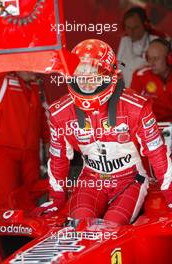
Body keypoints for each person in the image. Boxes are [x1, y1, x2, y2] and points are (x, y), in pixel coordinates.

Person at [47, 39, 172, 226]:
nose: (86, 82)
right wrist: (55, 202)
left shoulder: (136, 107)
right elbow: (58, 158)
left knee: (113, 224)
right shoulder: (60, 112)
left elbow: (158, 153)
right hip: (91, 179)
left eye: (94, 74)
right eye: (81, 74)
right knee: (79, 222)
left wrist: (170, 196)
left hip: (130, 180)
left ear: (108, 75)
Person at [0, 71, 50, 212]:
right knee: (7, 200)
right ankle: (6, 233)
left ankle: (28, 232)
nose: (37, 71)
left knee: (31, 198)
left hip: (31, 152)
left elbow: (43, 117)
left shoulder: (37, 84)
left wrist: (49, 141)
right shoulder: (3, 78)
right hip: (3, 149)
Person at [117, 6, 163, 87]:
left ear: (145, 25)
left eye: (135, 28)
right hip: (126, 91)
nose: (131, 32)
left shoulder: (156, 42)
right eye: (128, 28)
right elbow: (120, 64)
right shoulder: (124, 41)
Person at [131, 38, 172, 122]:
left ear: (169, 59)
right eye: (149, 58)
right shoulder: (140, 75)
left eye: (156, 58)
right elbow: (132, 108)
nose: (151, 63)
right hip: (149, 126)